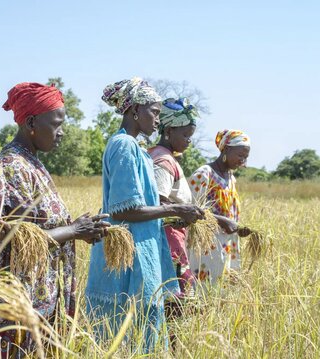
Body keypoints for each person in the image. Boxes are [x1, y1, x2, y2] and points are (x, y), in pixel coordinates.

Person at [0, 82, 110, 358]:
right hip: (18, 305)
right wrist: (74, 230)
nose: (61, 132)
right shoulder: (10, 167)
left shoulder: (33, 163)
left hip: (43, 299)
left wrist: (82, 228)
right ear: (30, 122)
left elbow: (40, 228)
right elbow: (12, 239)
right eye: (56, 124)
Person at [85, 78, 205, 352]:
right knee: (129, 334)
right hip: (131, 255)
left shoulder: (134, 148)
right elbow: (126, 209)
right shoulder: (125, 146)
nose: (157, 118)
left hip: (141, 248)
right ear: (134, 111)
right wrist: (176, 209)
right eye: (153, 111)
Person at [148, 98, 200, 299]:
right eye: (186, 135)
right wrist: (183, 212)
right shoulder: (164, 160)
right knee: (177, 299)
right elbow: (158, 203)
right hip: (168, 241)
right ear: (168, 131)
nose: (189, 140)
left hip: (170, 239)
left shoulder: (158, 154)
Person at [188, 129, 251, 283]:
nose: (243, 161)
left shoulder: (231, 178)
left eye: (246, 157)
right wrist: (223, 221)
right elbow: (191, 211)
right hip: (206, 247)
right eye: (240, 155)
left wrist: (237, 227)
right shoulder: (204, 174)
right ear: (227, 149)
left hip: (228, 246)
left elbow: (230, 213)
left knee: (222, 296)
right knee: (204, 292)